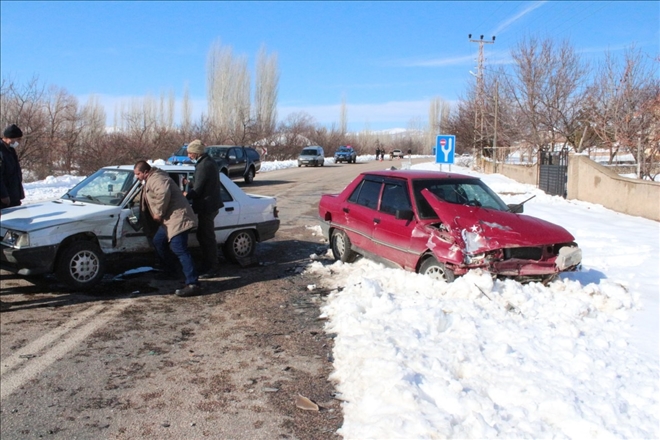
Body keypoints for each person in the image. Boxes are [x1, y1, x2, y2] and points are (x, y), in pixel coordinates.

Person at [134, 160, 201, 297]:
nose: (137, 176)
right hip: (169, 220)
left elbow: (163, 192)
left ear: (146, 172)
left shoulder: (157, 178)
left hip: (178, 218)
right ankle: (172, 271)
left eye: (138, 174)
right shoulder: (151, 178)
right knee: (159, 241)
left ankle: (193, 283)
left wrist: (158, 212)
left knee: (179, 248)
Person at [183, 139, 222, 279]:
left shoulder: (204, 165)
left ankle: (212, 267)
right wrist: (190, 182)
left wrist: (186, 195)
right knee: (203, 236)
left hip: (207, 206)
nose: (188, 156)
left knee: (207, 237)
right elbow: (203, 182)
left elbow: (198, 190)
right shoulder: (208, 162)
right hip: (210, 205)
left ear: (196, 152)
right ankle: (207, 264)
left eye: (190, 153)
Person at [0, 124, 25, 209]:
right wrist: (3, 195)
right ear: (9, 138)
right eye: (17, 139)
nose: (18, 142)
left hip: (13, 196)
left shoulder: (10, 150)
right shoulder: (1, 152)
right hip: (4, 199)